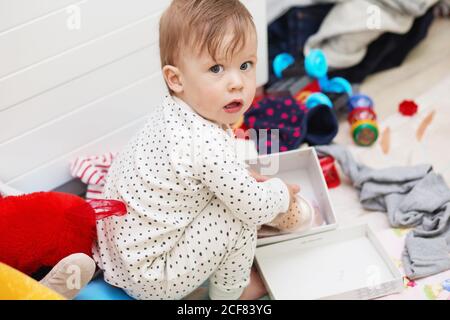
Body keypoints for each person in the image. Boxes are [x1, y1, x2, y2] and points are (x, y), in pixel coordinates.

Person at [93, 0, 302, 300]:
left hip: (117, 251)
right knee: (239, 216)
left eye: (246, 65)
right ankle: (232, 293)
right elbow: (253, 207)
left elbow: (208, 174)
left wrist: (243, 180)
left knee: (233, 194)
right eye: (216, 68)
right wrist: (281, 193)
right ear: (175, 79)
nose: (237, 83)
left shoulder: (173, 113)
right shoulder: (203, 142)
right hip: (152, 278)